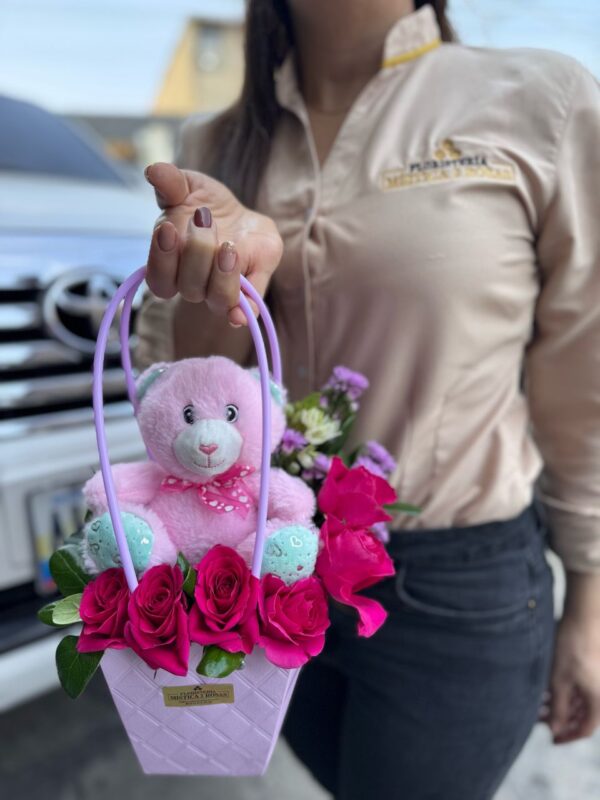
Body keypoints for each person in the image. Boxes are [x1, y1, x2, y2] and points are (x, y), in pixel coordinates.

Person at [136, 2, 600, 798]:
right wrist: (229, 282)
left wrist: (591, 596)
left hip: (457, 586)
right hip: (271, 569)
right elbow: (179, 397)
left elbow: (583, 374)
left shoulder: (540, 102)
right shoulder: (213, 146)